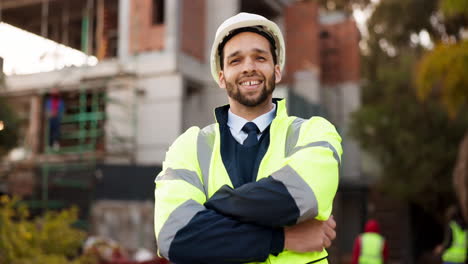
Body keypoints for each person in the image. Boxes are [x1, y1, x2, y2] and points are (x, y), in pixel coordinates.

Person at [154, 12, 342, 264]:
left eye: (260, 57)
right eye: (235, 60)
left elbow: (298, 198)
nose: (249, 67)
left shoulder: (314, 133)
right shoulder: (189, 147)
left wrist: (209, 210)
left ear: (276, 71)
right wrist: (282, 239)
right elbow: (175, 237)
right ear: (221, 77)